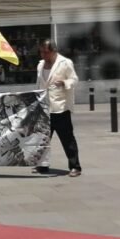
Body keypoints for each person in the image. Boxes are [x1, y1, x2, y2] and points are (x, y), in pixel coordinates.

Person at [35, 39, 82, 177]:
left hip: (60, 107)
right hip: (44, 107)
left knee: (67, 139)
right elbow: (39, 84)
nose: (43, 55)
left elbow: (74, 79)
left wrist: (65, 82)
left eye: (46, 52)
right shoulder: (40, 65)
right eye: (41, 52)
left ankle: (75, 166)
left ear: (54, 51)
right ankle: (42, 165)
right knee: (42, 139)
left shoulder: (65, 63)